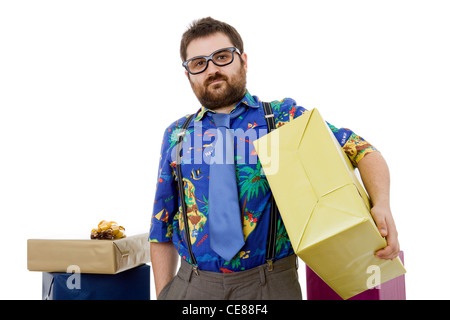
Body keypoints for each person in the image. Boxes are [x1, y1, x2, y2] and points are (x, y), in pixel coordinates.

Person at [149, 17, 400, 300]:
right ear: (188, 74)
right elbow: (161, 226)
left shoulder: (283, 118)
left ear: (243, 60)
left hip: (269, 284)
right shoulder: (177, 134)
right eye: (199, 63)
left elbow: (361, 149)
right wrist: (164, 294)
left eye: (221, 57)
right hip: (192, 285)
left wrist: (381, 204)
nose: (212, 69)